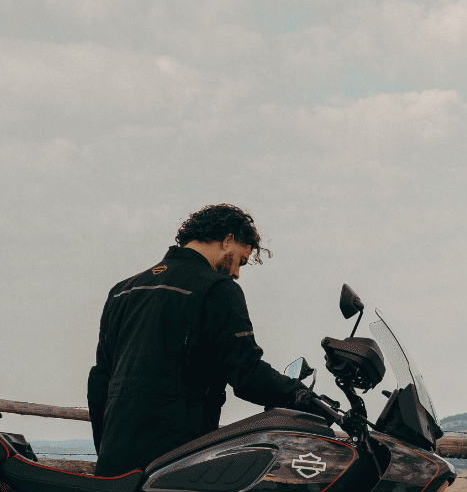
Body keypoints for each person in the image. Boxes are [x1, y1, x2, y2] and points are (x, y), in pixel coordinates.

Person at [87, 204, 323, 476]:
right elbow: (247, 374)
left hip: (115, 463)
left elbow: (100, 380)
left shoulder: (122, 291)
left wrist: (106, 450)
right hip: (174, 463)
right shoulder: (217, 289)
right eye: (241, 261)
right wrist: (301, 396)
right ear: (228, 239)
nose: (236, 273)